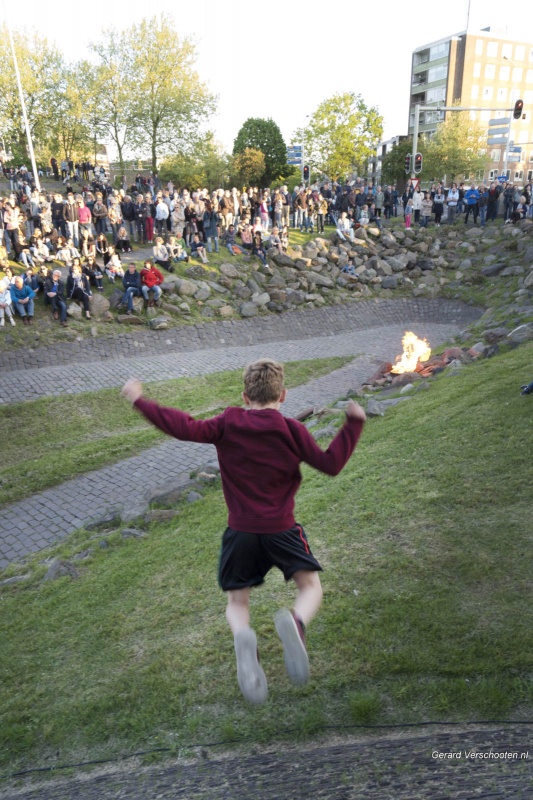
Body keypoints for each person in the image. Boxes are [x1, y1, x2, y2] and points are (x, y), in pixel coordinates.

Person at [121, 359, 366, 704]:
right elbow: (331, 464)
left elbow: (183, 426)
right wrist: (353, 424)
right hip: (282, 529)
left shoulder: (227, 423)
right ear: (283, 395)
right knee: (309, 586)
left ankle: (243, 637)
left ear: (244, 395)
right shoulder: (291, 430)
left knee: (237, 601)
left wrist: (140, 400)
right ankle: (295, 623)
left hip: (241, 532)